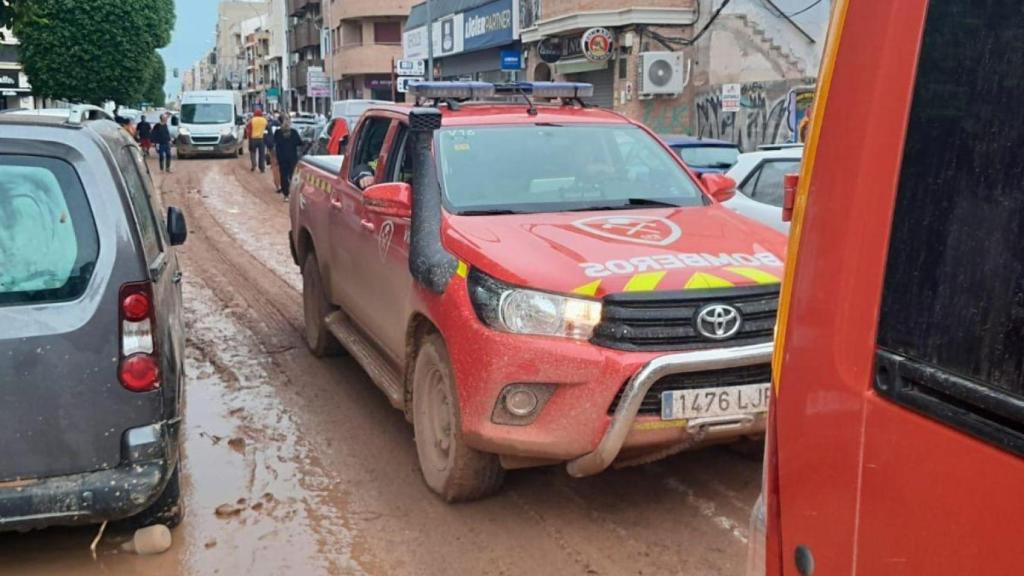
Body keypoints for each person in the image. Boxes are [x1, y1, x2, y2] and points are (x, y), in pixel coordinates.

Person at [273, 116, 304, 199]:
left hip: (282, 157)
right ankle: (292, 192)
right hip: (292, 157)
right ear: (290, 123)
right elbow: (299, 143)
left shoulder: (277, 132)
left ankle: (286, 195)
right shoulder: (294, 132)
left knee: (283, 175)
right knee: (292, 175)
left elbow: (275, 142)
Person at [247, 109, 269, 173]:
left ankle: (254, 164)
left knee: (252, 152)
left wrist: (249, 139)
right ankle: (262, 168)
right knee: (261, 154)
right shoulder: (264, 120)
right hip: (261, 139)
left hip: (253, 139)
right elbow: (267, 128)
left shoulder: (252, 120)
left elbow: (248, 129)